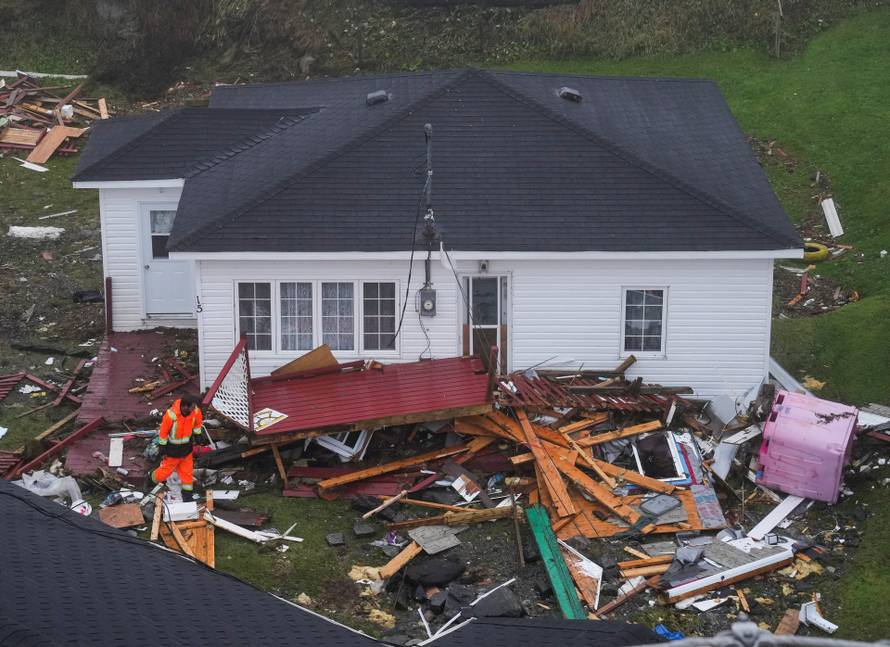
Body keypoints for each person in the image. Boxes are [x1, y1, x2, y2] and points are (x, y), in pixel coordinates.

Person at [147, 395, 206, 501]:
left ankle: (187, 496)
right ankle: (151, 478)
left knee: (187, 475)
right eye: (192, 407)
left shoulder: (195, 412)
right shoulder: (171, 415)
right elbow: (163, 433)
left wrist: (198, 437)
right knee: (163, 474)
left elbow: (197, 425)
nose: (195, 409)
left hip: (186, 451)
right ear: (185, 407)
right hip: (172, 452)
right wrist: (162, 448)